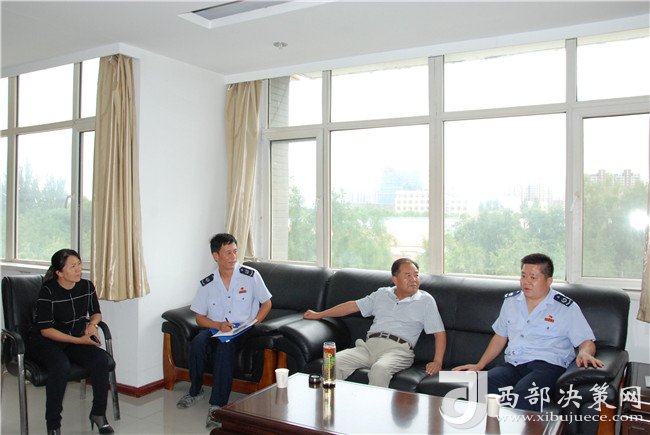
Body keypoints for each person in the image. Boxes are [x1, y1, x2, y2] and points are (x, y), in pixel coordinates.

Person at [453, 253, 603, 411]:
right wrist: (480, 365)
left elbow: (586, 341)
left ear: (549, 281)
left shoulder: (565, 307)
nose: (526, 282)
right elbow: (500, 337)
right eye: (523, 276)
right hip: (513, 364)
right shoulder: (511, 302)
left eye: (533, 277)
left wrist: (585, 352)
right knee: (479, 388)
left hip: (547, 367)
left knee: (525, 394)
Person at [176, 233, 272, 429]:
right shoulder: (207, 283)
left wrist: (255, 322)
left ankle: (217, 406)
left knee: (225, 348)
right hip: (217, 328)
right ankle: (195, 391)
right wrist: (218, 325)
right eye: (228, 253)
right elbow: (199, 318)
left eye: (235, 251)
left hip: (243, 329)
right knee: (197, 343)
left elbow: (267, 303)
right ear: (216, 256)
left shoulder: (250, 275)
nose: (233, 257)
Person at [304, 258, 446, 388]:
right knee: (333, 362)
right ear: (395, 279)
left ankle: (374, 408)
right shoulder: (382, 294)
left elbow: (439, 333)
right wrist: (319, 314)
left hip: (398, 350)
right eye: (408, 275)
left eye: (416, 275)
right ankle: (332, 404)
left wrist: (437, 362)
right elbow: (352, 306)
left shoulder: (425, 300)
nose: (413, 279)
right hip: (368, 347)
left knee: (379, 369)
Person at [26, 249, 114, 435]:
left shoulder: (86, 286)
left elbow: (96, 312)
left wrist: (92, 325)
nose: (78, 269)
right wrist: (79, 340)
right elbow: (46, 330)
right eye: (73, 266)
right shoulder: (48, 291)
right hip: (45, 342)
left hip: (73, 339)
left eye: (79, 264)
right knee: (60, 365)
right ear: (59, 272)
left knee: (101, 360)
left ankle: (98, 414)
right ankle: (53, 425)